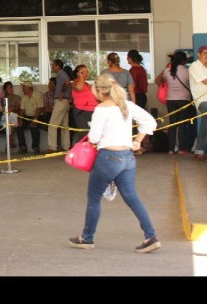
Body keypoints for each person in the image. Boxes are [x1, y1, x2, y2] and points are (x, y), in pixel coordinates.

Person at [68, 74, 161, 254]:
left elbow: (94, 137)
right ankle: (151, 236)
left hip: (108, 158)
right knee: (132, 198)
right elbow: (150, 121)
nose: (94, 94)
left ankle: (86, 238)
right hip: (127, 157)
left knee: (94, 198)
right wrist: (138, 140)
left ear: (101, 91)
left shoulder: (101, 109)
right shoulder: (126, 105)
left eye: (94, 91)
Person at [155, 51, 195, 155]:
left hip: (170, 100)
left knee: (172, 124)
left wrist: (165, 87)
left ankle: (171, 149)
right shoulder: (187, 71)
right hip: (184, 100)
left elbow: (158, 80)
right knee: (181, 124)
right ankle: (181, 149)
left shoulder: (167, 71)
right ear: (184, 61)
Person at [47, 59, 72, 153]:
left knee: (52, 124)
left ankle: (52, 146)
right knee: (65, 125)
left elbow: (67, 83)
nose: (52, 66)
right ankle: (66, 146)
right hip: (65, 101)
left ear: (58, 66)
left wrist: (62, 92)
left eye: (53, 65)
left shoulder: (61, 75)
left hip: (61, 101)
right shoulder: (63, 74)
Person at [71, 65, 98, 144]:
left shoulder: (87, 84)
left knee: (93, 133)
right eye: (82, 72)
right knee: (84, 134)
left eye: (86, 71)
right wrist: (81, 77)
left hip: (93, 111)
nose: (85, 73)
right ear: (77, 73)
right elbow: (79, 87)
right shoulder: (75, 82)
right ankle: (78, 152)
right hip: (82, 111)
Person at [189, 45, 207, 160]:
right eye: (205, 53)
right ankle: (200, 150)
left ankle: (200, 150)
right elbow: (206, 81)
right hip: (202, 101)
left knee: (205, 126)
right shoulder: (195, 66)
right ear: (199, 54)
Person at [16, 81, 43, 154]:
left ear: (29, 88)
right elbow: (22, 109)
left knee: (34, 127)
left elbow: (39, 109)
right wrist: (20, 119)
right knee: (19, 127)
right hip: (26, 116)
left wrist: (35, 119)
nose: (22, 89)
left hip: (36, 116)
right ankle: (23, 147)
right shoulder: (24, 97)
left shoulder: (38, 95)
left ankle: (36, 147)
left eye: (24, 88)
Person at [1, 81, 21, 149]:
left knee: (10, 120)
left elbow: (18, 107)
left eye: (11, 88)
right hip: (5, 117)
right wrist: (8, 109)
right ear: (5, 90)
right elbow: (3, 109)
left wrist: (12, 108)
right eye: (9, 88)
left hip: (14, 116)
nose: (11, 89)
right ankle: (10, 141)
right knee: (8, 120)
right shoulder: (4, 99)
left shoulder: (16, 97)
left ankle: (9, 142)